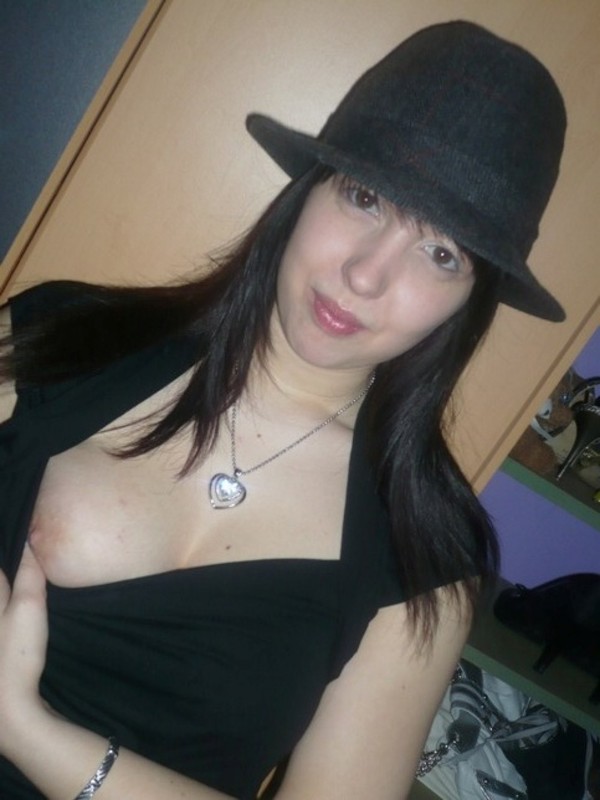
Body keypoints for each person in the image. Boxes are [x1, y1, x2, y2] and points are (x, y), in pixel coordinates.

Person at [0, 19, 566, 800]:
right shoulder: (63, 335)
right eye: (365, 197)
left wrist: (26, 731)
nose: (367, 275)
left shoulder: (426, 556)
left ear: (469, 301)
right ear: (310, 189)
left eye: (442, 254)